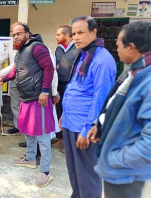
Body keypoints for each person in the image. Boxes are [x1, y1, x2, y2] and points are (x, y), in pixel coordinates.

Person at [87, 21, 151, 198]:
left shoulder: (147, 81)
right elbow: (115, 106)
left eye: (118, 45)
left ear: (131, 47)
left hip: (130, 176)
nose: (116, 50)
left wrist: (112, 158)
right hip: (120, 171)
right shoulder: (134, 71)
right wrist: (99, 125)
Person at [59, 16, 117, 198]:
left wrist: (88, 129)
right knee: (74, 171)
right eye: (74, 33)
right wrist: (64, 115)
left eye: (81, 32)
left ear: (93, 32)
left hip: (84, 127)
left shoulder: (102, 60)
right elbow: (77, 88)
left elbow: (101, 98)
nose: (76, 37)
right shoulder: (84, 55)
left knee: (88, 175)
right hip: (71, 123)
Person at [0, 24, 55, 187]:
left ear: (27, 34)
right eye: (13, 34)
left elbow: (49, 68)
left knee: (42, 136)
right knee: (28, 131)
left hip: (39, 98)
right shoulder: (21, 51)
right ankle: (30, 158)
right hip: (26, 98)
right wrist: (3, 79)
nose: (15, 37)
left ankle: (45, 172)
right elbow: (16, 71)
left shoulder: (37, 47)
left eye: (18, 34)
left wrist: (45, 91)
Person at [52, 25, 80, 153]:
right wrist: (55, 88)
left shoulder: (78, 49)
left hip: (72, 85)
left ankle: (71, 141)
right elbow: (53, 69)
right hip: (59, 85)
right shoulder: (57, 49)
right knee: (59, 111)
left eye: (58, 34)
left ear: (66, 35)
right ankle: (62, 137)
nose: (56, 37)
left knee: (70, 112)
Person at [0, 21, 21, 135]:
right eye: (12, 32)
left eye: (16, 32)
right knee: (14, 103)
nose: (14, 35)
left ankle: (27, 128)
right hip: (13, 78)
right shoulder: (10, 42)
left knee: (27, 105)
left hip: (25, 79)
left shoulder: (29, 45)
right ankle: (17, 126)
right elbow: (5, 56)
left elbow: (16, 65)